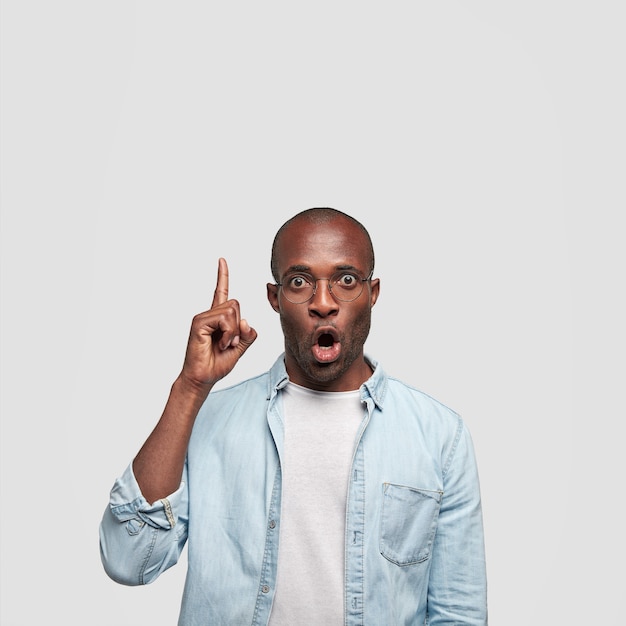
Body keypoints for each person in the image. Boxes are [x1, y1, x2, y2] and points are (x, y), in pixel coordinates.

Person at [99, 207, 488, 625]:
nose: (323, 303)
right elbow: (128, 559)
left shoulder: (439, 435)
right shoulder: (206, 420)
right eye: (300, 282)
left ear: (373, 293)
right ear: (275, 298)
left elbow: (459, 614)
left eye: (346, 280)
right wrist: (190, 388)